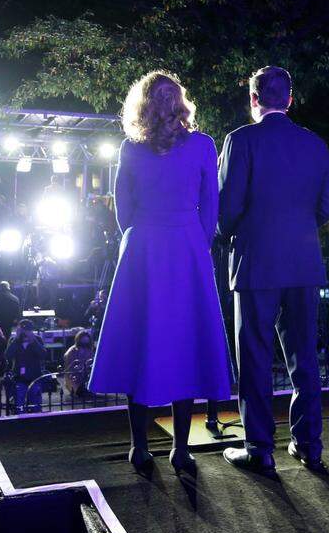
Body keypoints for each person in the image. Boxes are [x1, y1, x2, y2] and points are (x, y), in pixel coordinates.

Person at [89, 71, 232, 476]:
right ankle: (181, 450)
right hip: (187, 247)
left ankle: (139, 448)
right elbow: (211, 206)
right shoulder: (203, 145)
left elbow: (122, 209)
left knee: (140, 340)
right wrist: (197, 241)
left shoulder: (131, 148)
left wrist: (141, 236)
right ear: (181, 103)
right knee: (186, 343)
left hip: (144, 248)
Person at [217, 65, 329, 473]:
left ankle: (259, 448)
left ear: (254, 99)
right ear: (290, 99)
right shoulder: (315, 144)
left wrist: (229, 232)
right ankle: (309, 444)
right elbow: (325, 208)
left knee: (254, 357)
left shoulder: (240, 140)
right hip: (303, 264)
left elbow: (227, 210)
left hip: (255, 264)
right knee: (305, 358)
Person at [7, 320, 49, 413]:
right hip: (19, 377)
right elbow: (8, 355)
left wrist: (33, 341)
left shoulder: (37, 339)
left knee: (35, 406)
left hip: (35, 376)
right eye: (23, 329)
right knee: (19, 405)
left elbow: (43, 355)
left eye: (27, 330)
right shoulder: (15, 340)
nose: (25, 332)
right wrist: (16, 339)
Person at [61, 329, 95, 398]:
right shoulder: (72, 350)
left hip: (86, 376)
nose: (85, 339)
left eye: (87, 337)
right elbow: (69, 367)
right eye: (83, 337)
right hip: (75, 379)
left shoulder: (90, 349)